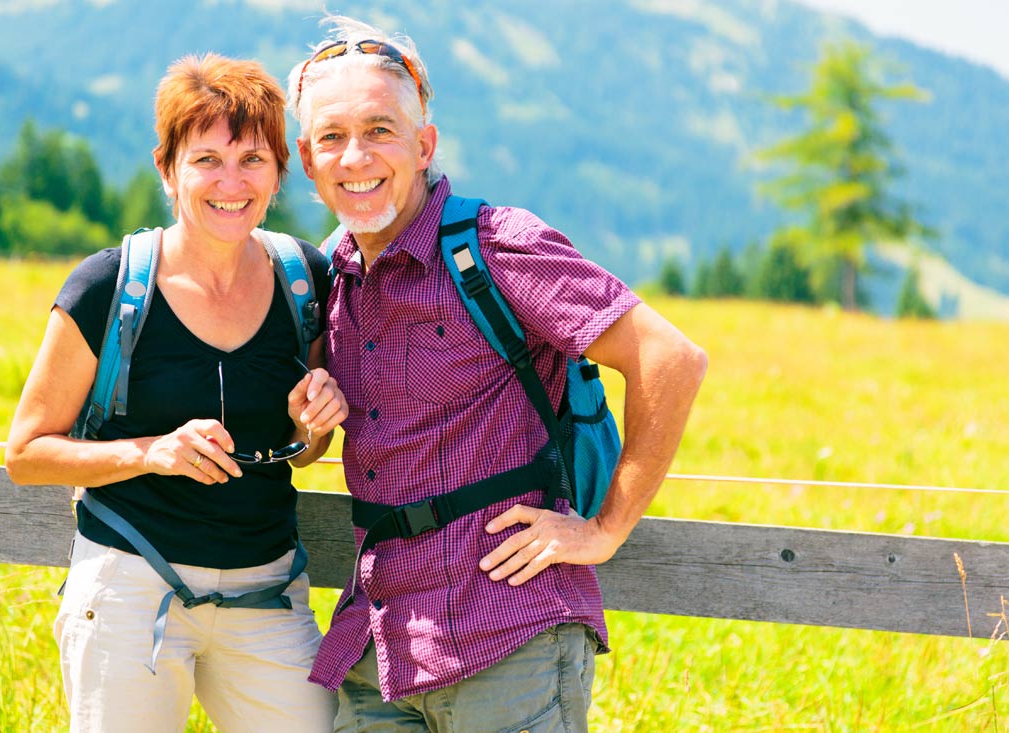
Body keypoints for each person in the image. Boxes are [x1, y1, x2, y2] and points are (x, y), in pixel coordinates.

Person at [287, 15, 708, 733]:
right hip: (379, 646)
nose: (355, 155)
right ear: (307, 158)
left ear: (424, 145)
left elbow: (671, 358)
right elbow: (316, 448)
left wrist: (604, 530)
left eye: (381, 130)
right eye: (332, 136)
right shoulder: (326, 275)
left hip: (508, 638)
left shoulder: (496, 246)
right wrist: (306, 424)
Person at [5, 53, 344, 733]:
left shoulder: (303, 280)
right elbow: (26, 452)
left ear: (279, 172)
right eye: (206, 159)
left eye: (252, 159)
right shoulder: (108, 288)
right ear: (168, 168)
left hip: (267, 589)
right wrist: (152, 452)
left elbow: (305, 454)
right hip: (133, 586)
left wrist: (315, 427)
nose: (231, 181)